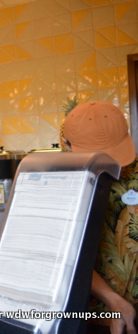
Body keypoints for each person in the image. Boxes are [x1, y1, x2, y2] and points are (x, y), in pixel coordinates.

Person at [62, 101, 138, 334]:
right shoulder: (64, 184)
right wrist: (114, 301)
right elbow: (66, 255)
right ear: (66, 145)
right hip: (91, 313)